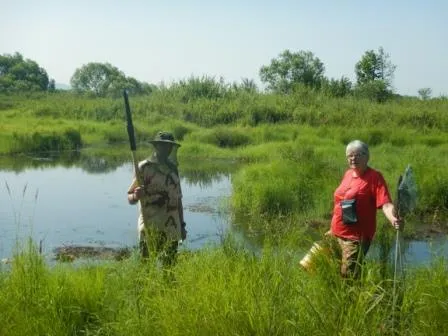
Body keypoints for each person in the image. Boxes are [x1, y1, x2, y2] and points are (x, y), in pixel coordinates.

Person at [328, 140, 400, 277]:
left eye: (357, 155)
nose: (353, 158)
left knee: (348, 275)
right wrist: (332, 229)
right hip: (336, 233)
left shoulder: (374, 177)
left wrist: (393, 218)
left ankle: (353, 298)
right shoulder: (348, 174)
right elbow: (339, 203)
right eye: (349, 155)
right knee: (334, 271)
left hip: (356, 238)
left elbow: (385, 204)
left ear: (367, 156)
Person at [127, 131, 186, 266]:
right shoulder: (143, 167)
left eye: (169, 146)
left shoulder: (173, 169)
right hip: (150, 227)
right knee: (146, 267)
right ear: (157, 146)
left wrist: (182, 226)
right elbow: (130, 198)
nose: (167, 149)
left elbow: (178, 200)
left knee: (169, 268)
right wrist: (136, 195)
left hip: (172, 229)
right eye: (163, 145)